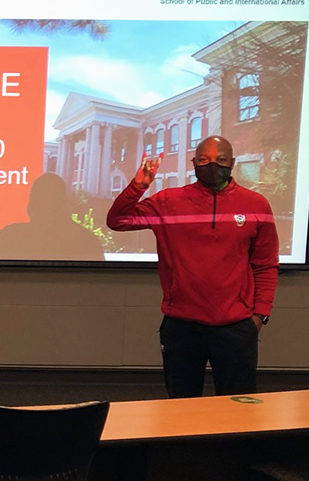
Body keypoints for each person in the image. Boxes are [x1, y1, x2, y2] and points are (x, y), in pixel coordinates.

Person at [107, 136, 278, 398]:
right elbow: (118, 220)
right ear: (193, 163)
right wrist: (139, 185)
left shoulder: (256, 204)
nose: (212, 165)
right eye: (203, 160)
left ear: (232, 163)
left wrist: (260, 315)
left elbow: (265, 264)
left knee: (238, 410)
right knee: (180, 406)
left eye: (220, 160)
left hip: (237, 326)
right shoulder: (168, 202)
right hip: (181, 326)